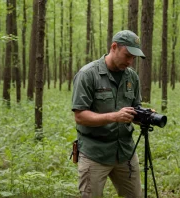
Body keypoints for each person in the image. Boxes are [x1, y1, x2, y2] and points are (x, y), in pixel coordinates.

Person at [71, 30, 145, 198]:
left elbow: (135, 107)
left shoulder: (132, 77)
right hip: (95, 153)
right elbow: (80, 116)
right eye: (127, 55)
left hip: (125, 151)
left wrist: (144, 116)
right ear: (114, 47)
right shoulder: (88, 74)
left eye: (134, 58)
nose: (130, 62)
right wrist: (114, 116)